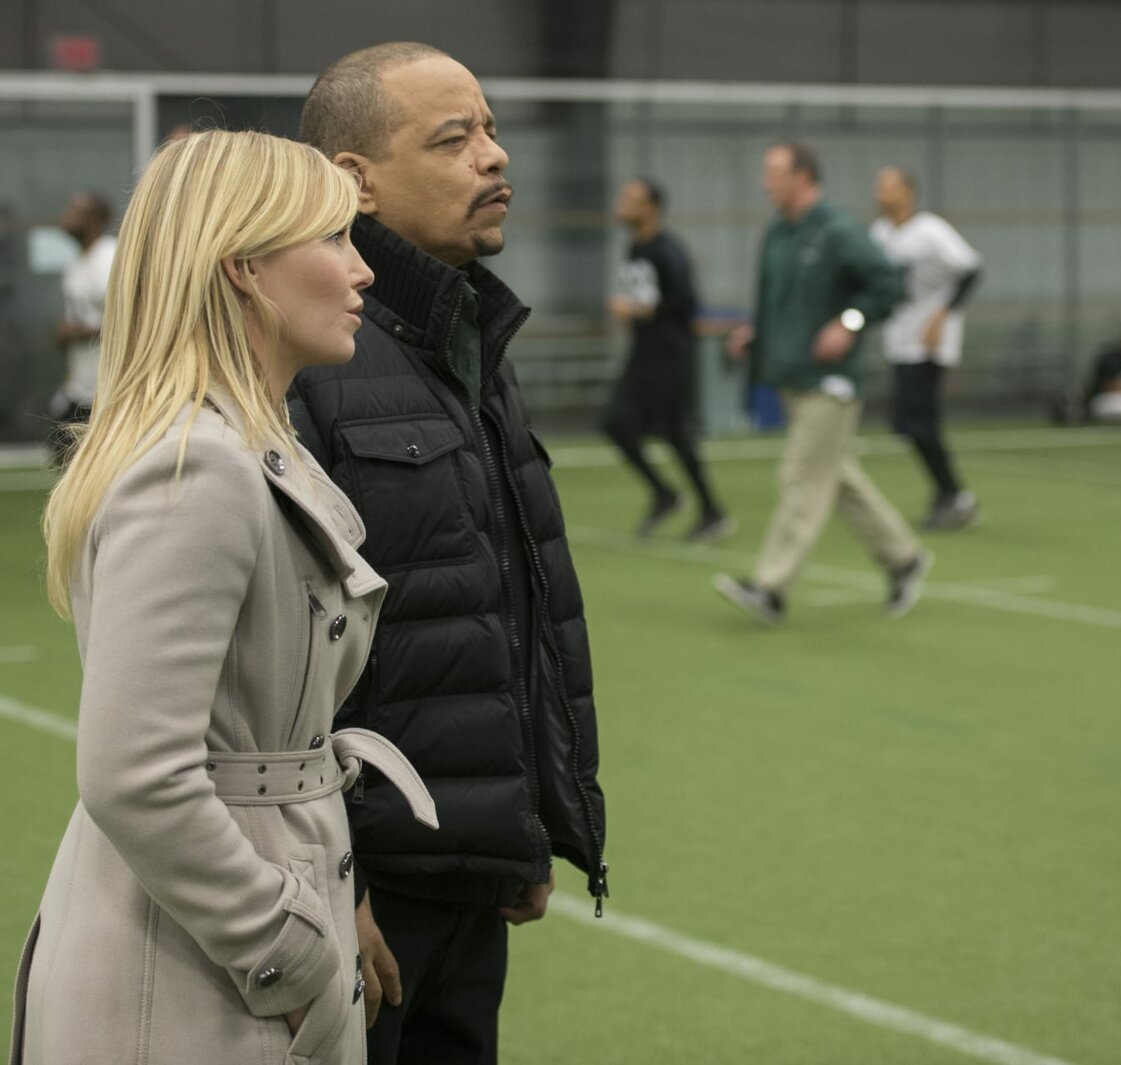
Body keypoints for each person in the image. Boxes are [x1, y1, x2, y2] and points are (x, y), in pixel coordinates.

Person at [14, 130, 436, 1065]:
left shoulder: (239, 445)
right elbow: (136, 773)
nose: (362, 269)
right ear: (244, 266)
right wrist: (287, 946)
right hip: (192, 973)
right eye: (332, 237)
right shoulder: (198, 466)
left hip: (221, 935)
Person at [293, 42, 608, 1064]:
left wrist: (527, 821)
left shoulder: (468, 336)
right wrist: (333, 879)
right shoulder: (305, 356)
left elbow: (508, 606)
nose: (494, 156)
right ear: (355, 180)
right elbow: (275, 661)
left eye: (491, 130)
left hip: (467, 868)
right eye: (452, 138)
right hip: (360, 889)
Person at [717, 140, 930, 624]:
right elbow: (777, 301)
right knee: (835, 478)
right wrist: (757, 335)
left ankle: (770, 588)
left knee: (800, 477)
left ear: (803, 177)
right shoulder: (778, 233)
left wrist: (849, 322)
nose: (765, 184)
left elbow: (887, 284)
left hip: (831, 384)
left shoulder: (838, 231)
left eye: (774, 174)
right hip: (792, 379)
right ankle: (904, 558)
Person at [602, 177, 733, 542]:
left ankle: (712, 512)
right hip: (642, 354)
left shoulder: (668, 251)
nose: (621, 203)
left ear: (652, 208)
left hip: (669, 356)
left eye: (631, 198)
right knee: (615, 423)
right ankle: (665, 493)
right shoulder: (635, 247)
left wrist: (637, 310)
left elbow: (685, 304)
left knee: (676, 432)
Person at [869, 165, 983, 531]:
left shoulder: (931, 230)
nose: (879, 193)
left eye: (887, 186)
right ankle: (950, 493)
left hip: (930, 340)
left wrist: (942, 315)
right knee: (910, 422)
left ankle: (954, 495)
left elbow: (971, 270)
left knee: (915, 419)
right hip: (899, 337)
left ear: (907, 191)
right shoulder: (880, 233)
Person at [48, 191, 115, 466]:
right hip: (81, 388)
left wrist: (77, 332)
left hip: (109, 389)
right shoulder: (77, 264)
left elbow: (132, 320)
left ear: (94, 219)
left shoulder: (108, 258)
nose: (65, 217)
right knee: (64, 459)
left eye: (74, 211)